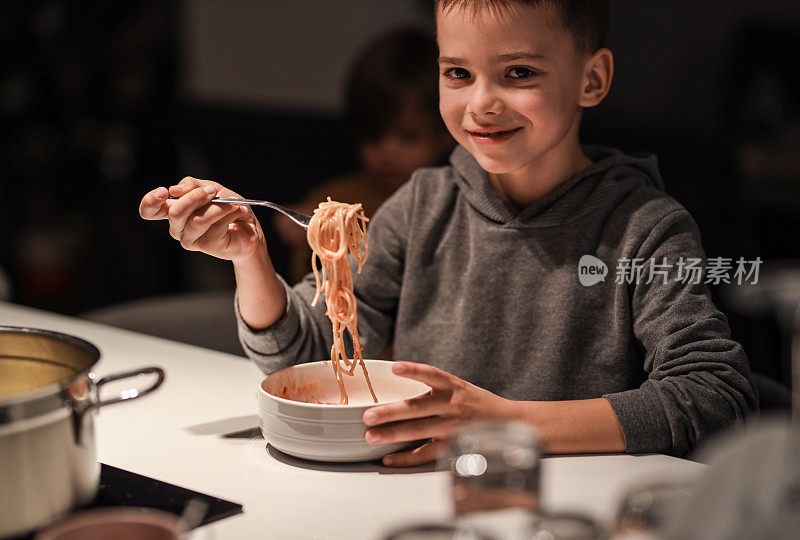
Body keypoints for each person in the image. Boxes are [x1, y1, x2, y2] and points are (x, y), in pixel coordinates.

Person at [139, 0, 758, 467]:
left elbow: (714, 396)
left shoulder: (646, 230)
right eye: (457, 73)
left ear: (591, 80)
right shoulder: (422, 205)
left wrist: (500, 422)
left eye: (518, 72)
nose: (481, 104)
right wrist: (249, 256)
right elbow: (312, 359)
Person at [273, 27, 454, 284]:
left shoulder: (452, 204)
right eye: (373, 136)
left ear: (446, 133)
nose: (387, 151)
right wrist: (309, 237)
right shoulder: (335, 199)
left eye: (408, 137)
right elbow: (307, 289)